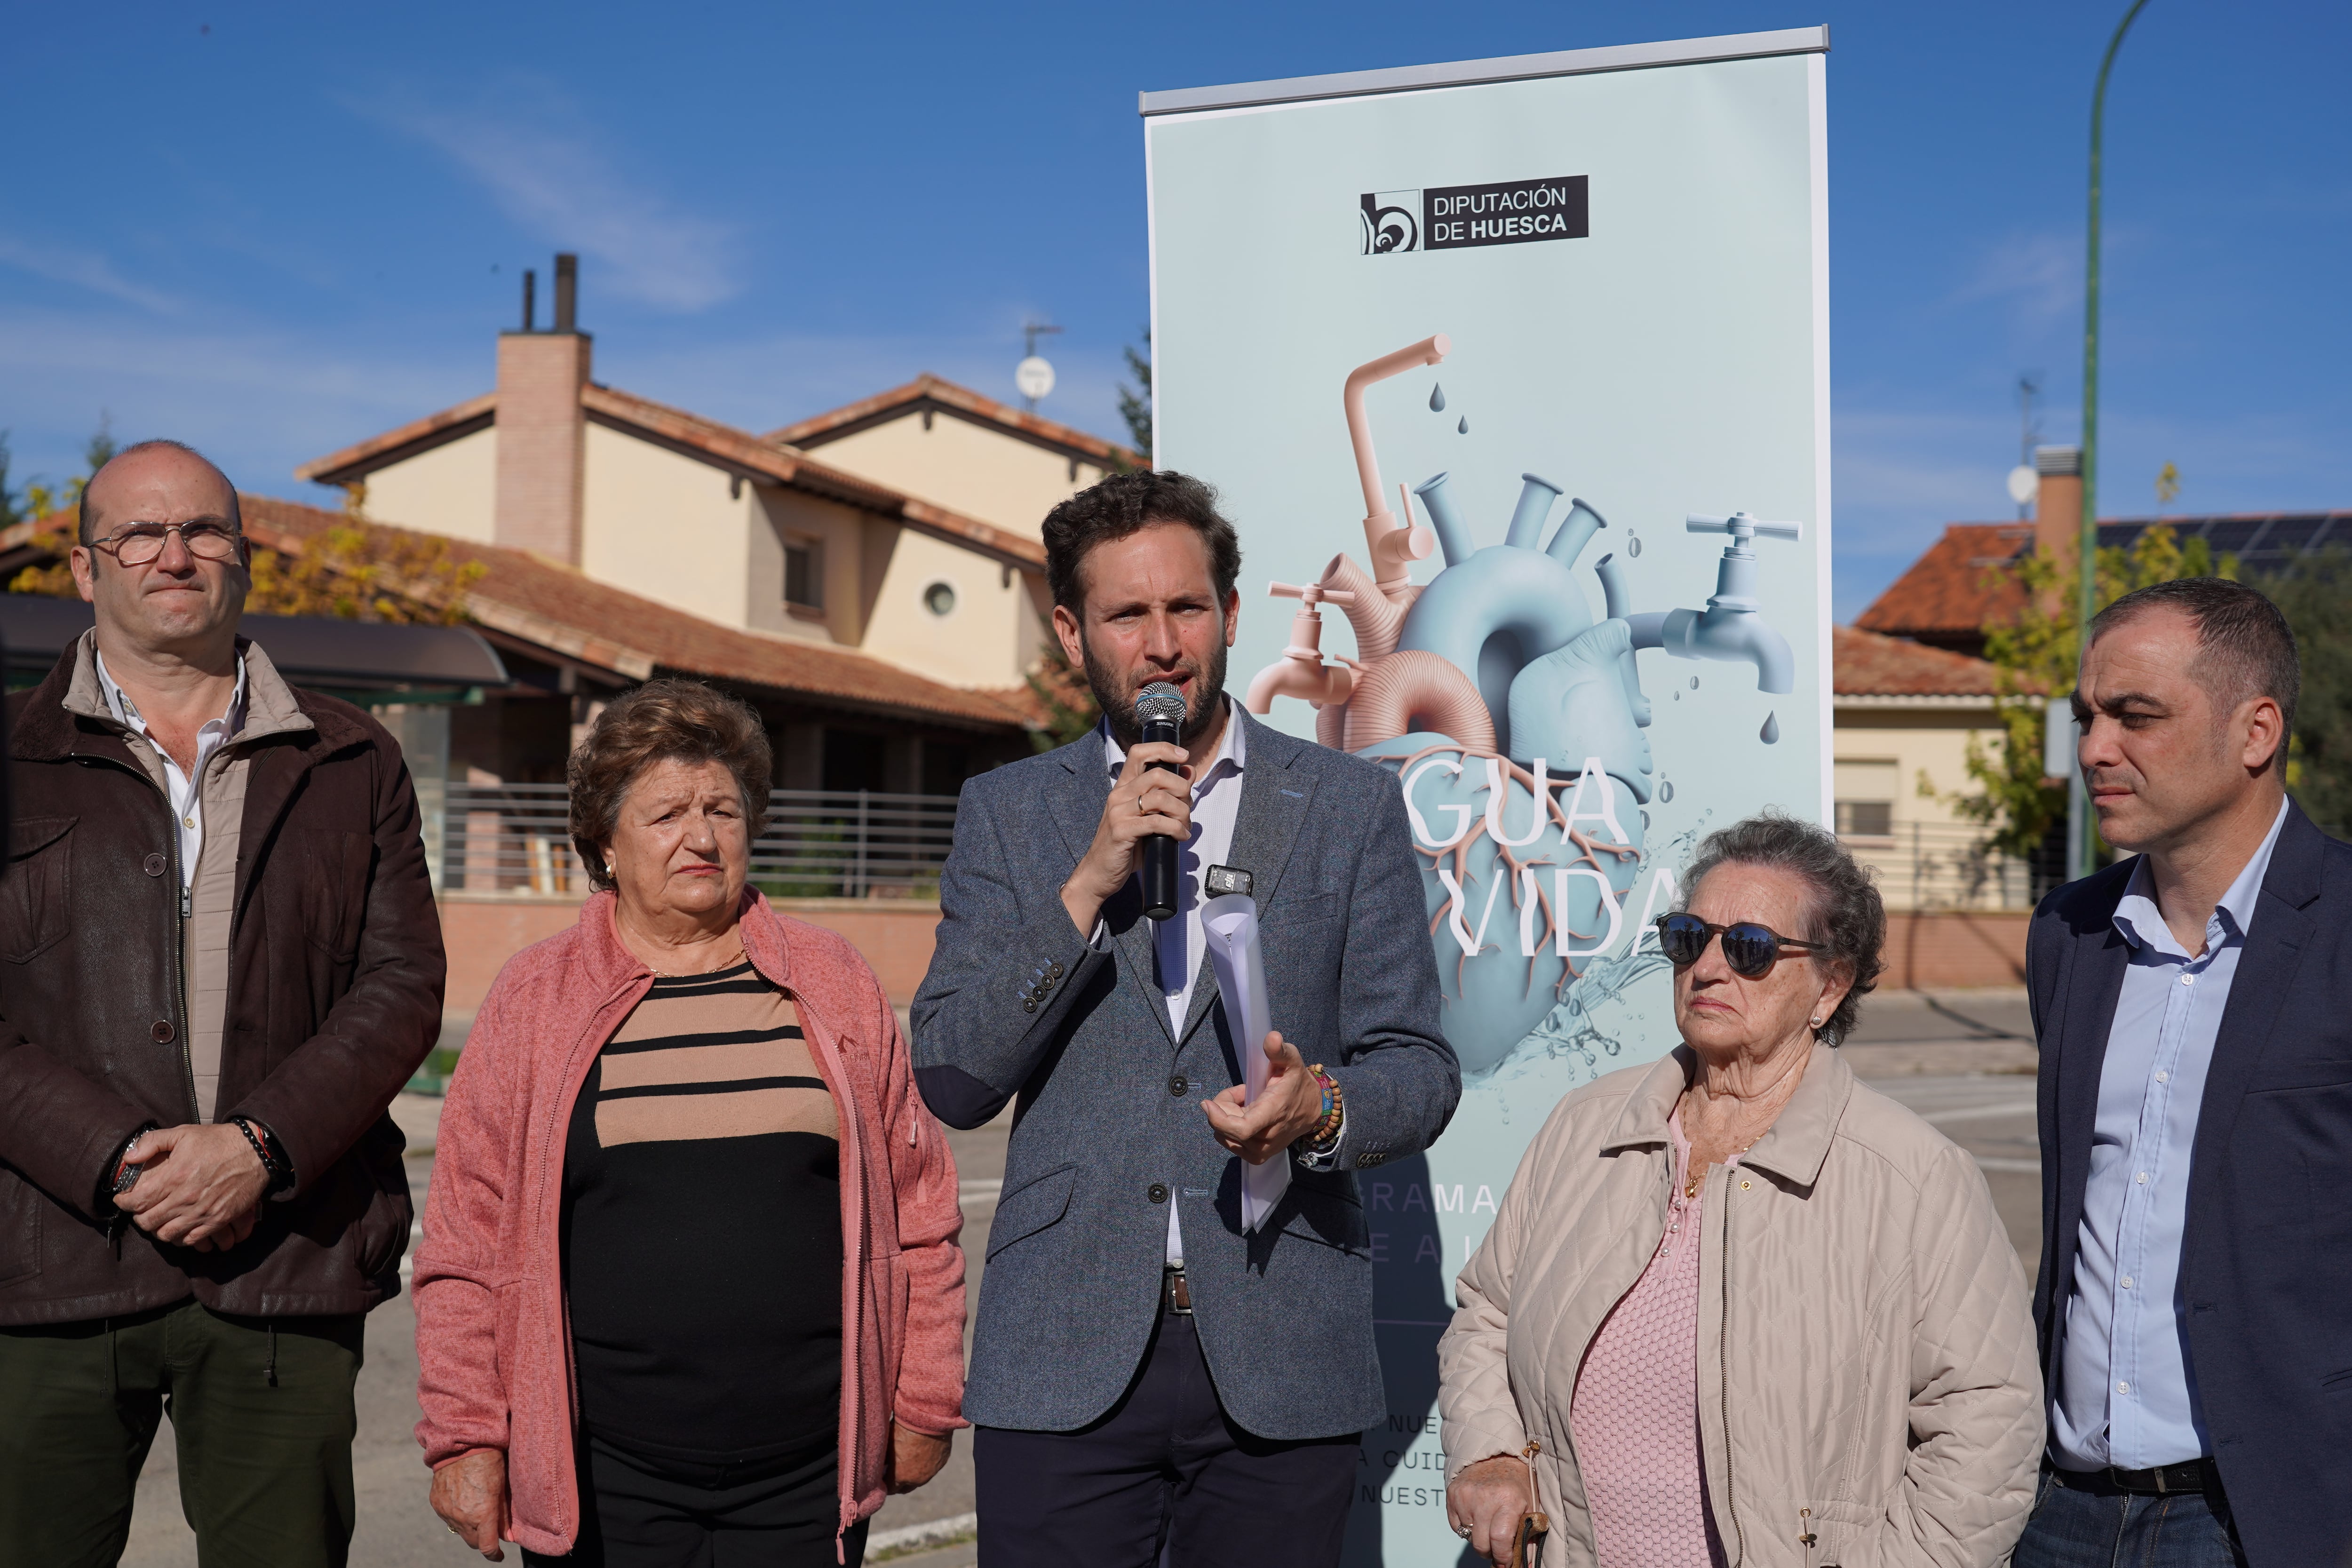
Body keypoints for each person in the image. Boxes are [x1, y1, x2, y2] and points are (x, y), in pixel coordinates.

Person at [911, 469, 1459, 1568]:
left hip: (1281, 1340)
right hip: (1063, 1349)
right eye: (1127, 614)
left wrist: (1321, 1108)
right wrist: (1088, 882)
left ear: (1230, 614)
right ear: (1072, 632)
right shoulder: (1010, 815)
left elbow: (1418, 1064)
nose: (1163, 644)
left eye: (1187, 608)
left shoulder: (1349, 805)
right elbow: (953, 1074)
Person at [0, 440, 446, 1566]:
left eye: (203, 529)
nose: (174, 553)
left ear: (243, 559)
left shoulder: (352, 757)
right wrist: (116, 1154)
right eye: (138, 533)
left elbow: (400, 985)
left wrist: (258, 1145)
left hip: (282, 1261)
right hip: (45, 1262)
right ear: (83, 567)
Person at [415, 679, 966, 1567]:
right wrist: (466, 1433)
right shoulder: (537, 995)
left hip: (807, 1470)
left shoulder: (832, 979)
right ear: (604, 840)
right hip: (606, 1471)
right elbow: (465, 1239)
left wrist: (925, 1398)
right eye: (668, 812)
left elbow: (922, 1214)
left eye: (724, 808)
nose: (703, 837)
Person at [1440, 814, 2042, 1568]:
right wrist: (1492, 1452)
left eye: (1750, 949)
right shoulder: (1585, 1127)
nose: (1710, 968)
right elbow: (1488, 1313)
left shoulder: (1916, 1178)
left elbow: (1989, 1425)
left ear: (1831, 983)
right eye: (1691, 937)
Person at [2016, 578, 2343, 1568]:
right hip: (2059, 1510)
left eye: (2136, 716)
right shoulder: (2067, 935)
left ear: (2256, 731)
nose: (2094, 749)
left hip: (2265, 1513)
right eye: (2087, 717)